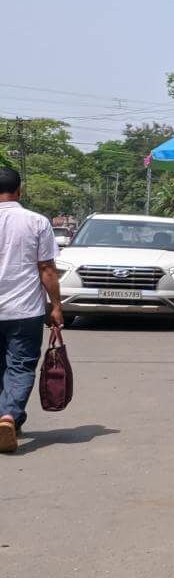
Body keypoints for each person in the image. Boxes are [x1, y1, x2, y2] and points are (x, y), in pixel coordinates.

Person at [0, 167, 64, 453]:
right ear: (19, 191)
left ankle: (9, 416)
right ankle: (9, 415)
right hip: (25, 310)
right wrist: (57, 305)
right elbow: (47, 268)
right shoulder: (36, 222)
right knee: (21, 365)